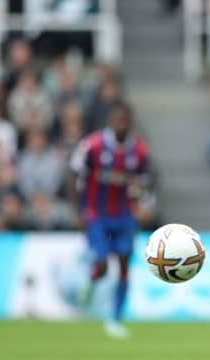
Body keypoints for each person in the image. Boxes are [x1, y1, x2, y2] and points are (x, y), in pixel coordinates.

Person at [70, 101, 150, 339]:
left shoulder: (140, 151)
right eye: (118, 121)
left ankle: (114, 319)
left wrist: (143, 203)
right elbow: (73, 174)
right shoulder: (92, 146)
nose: (122, 126)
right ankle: (92, 280)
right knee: (104, 264)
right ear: (110, 122)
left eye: (126, 122)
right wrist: (78, 210)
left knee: (125, 265)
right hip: (97, 214)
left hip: (125, 217)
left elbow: (145, 182)